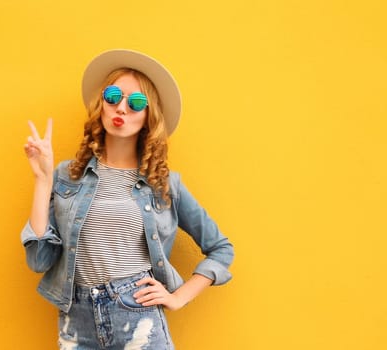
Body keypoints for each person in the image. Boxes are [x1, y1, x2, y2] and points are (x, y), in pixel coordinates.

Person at [20, 49, 234, 349]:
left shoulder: (165, 186)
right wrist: (42, 180)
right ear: (101, 105)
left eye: (135, 103)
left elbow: (221, 250)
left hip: (137, 315)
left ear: (149, 117)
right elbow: (39, 260)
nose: (121, 108)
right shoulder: (66, 176)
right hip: (75, 319)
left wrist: (177, 297)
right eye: (113, 97)